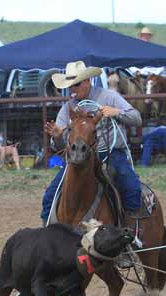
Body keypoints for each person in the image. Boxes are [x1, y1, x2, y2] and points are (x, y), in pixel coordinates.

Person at [40, 60, 142, 226]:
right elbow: (58, 146)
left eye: (76, 84)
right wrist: (58, 136)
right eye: (70, 85)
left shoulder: (109, 97)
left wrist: (117, 112)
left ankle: (131, 229)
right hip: (77, 156)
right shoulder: (68, 108)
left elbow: (136, 118)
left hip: (109, 152)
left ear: (87, 81)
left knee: (130, 187)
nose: (73, 89)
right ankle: (47, 231)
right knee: (51, 194)